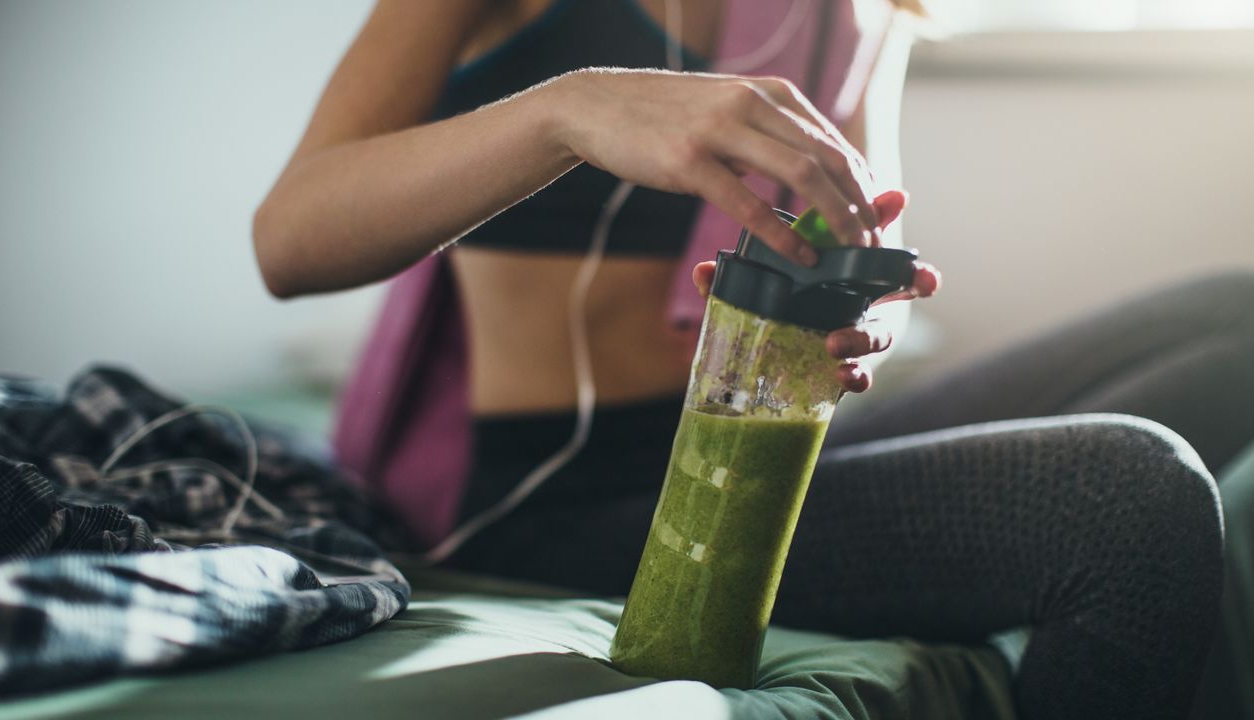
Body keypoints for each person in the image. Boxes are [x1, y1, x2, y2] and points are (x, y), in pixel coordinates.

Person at [253, 2, 1244, 718]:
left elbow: (874, 252)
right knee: (1128, 496)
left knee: (1232, 325)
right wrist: (568, 111)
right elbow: (288, 241)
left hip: (759, 443)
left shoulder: (847, 12)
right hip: (545, 501)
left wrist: (860, 317)